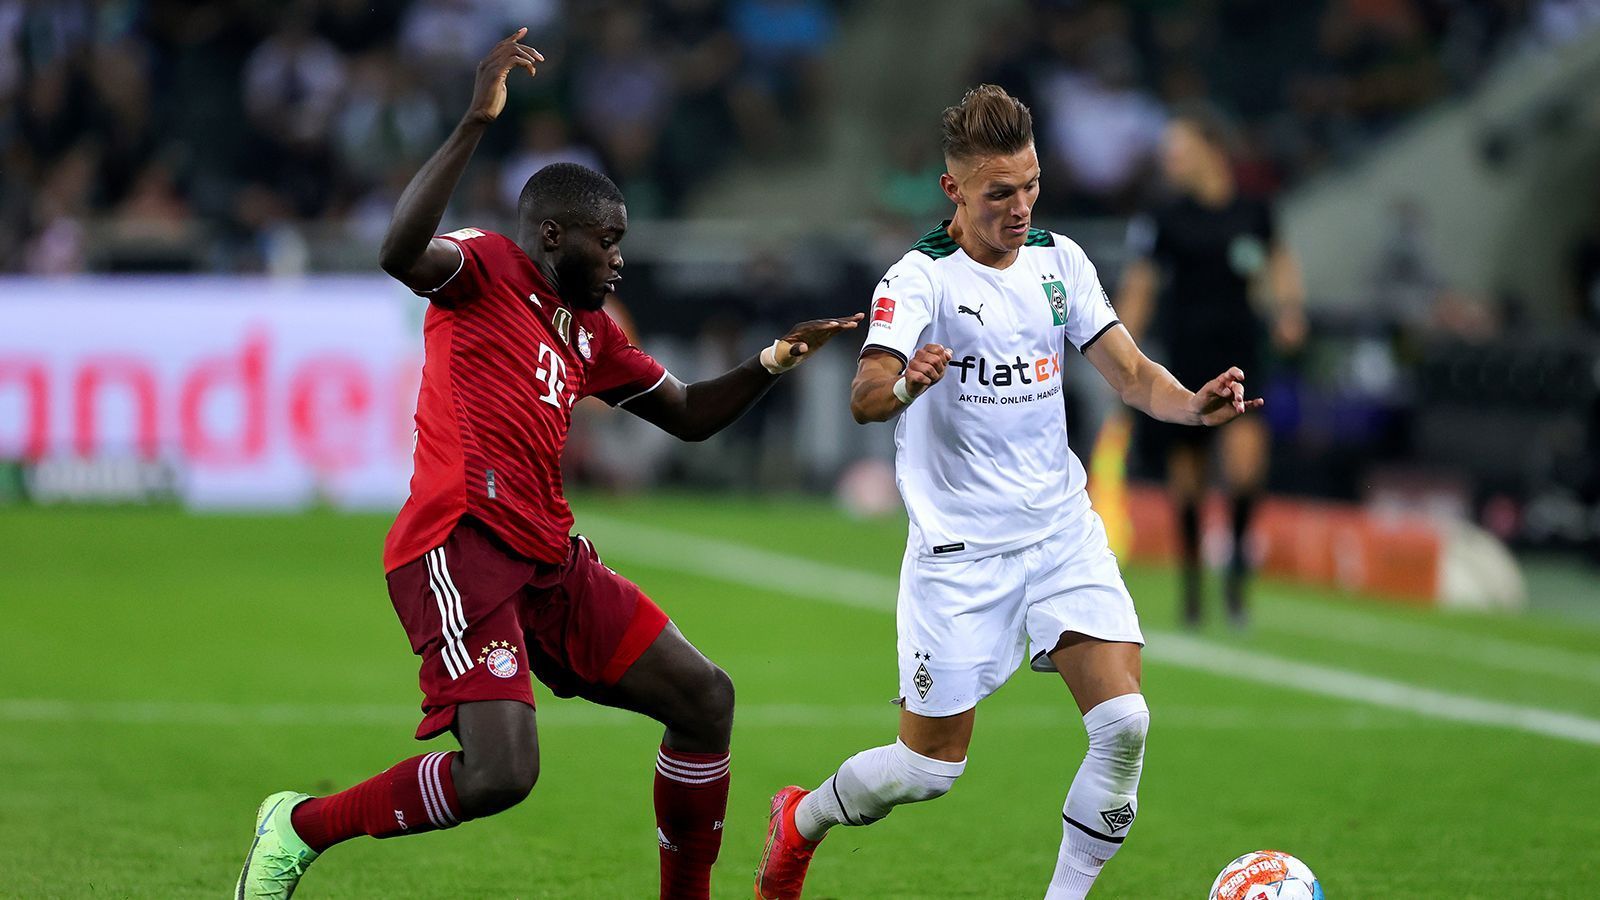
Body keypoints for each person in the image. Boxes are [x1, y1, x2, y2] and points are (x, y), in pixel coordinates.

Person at [234, 30, 861, 900]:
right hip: (461, 546)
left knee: (705, 698)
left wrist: (773, 361)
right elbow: (396, 253)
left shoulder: (592, 332)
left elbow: (684, 416)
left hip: (548, 557)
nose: (619, 258)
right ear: (554, 235)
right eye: (608, 242)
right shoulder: (483, 267)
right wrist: (473, 122)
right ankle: (298, 827)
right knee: (500, 775)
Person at [754, 85, 1264, 900]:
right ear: (955, 191)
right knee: (925, 771)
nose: (1021, 206)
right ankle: (800, 821)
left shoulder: (1061, 263)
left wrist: (1193, 405)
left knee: (1125, 724)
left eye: (1031, 185)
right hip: (961, 555)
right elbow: (864, 394)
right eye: (1001, 193)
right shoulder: (919, 278)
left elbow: (1132, 376)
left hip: (1061, 533)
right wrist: (908, 385)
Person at [1118, 112, 1306, 629]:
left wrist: (1290, 310)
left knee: (1246, 472)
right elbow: (1141, 284)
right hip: (1184, 362)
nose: (1170, 161)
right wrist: (1121, 353)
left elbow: (1280, 261)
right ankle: (1194, 589)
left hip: (1242, 355)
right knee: (1188, 485)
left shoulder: (1254, 210)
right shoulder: (1164, 216)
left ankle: (1238, 576)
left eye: (1179, 149)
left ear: (1210, 148)